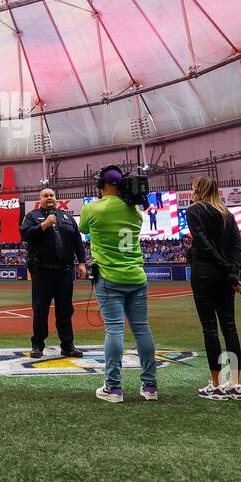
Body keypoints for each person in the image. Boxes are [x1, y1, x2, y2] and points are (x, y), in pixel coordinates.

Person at [79, 166, 157, 402]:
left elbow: (83, 228)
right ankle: (150, 386)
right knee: (142, 329)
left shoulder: (92, 208)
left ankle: (113, 388)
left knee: (114, 330)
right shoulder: (135, 211)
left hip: (109, 277)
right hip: (136, 276)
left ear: (102, 185)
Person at [184, 177, 241, 401]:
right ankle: (236, 384)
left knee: (209, 329)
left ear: (198, 190)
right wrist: (232, 271)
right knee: (230, 328)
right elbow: (237, 247)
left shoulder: (194, 211)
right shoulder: (228, 214)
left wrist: (224, 267)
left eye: (192, 189)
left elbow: (202, 243)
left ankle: (217, 385)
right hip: (225, 277)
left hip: (205, 274)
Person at [20, 187, 88, 358]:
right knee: (40, 309)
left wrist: (82, 262)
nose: (49, 198)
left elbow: (77, 242)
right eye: (46, 195)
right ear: (40, 199)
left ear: (56, 199)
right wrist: (43, 225)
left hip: (65, 272)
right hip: (42, 271)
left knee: (65, 310)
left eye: (52, 195)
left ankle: (67, 345)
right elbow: (25, 234)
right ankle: (37, 345)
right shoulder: (32, 216)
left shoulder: (67, 217)